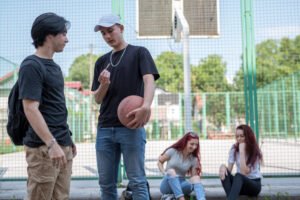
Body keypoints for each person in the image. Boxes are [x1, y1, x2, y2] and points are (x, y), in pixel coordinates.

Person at [92, 14, 160, 200]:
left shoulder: (139, 53)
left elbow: (149, 81)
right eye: (103, 33)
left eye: (110, 30)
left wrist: (146, 105)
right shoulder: (101, 62)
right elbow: (97, 99)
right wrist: (104, 84)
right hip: (105, 128)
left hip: (131, 127)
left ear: (121, 28)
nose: (107, 36)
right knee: (106, 184)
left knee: (137, 181)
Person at [19, 12, 76, 200]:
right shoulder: (31, 66)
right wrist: (51, 144)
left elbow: (55, 107)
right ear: (49, 36)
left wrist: (67, 139)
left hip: (62, 145)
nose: (66, 39)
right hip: (44, 149)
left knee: (61, 197)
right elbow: (30, 108)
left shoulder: (55, 67)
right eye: (63, 34)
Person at [219, 124, 263, 200]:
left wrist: (242, 151)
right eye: (237, 136)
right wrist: (222, 167)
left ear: (248, 136)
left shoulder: (254, 151)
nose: (239, 139)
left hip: (253, 185)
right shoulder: (234, 148)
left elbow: (243, 173)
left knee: (238, 175)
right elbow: (229, 170)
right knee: (224, 173)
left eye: (242, 136)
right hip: (240, 185)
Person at [157, 132, 206, 200]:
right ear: (185, 142)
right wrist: (164, 173)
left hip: (181, 183)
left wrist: (197, 183)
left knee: (196, 178)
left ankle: (201, 199)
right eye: (192, 144)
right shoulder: (172, 151)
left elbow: (193, 177)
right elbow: (160, 162)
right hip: (167, 184)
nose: (194, 147)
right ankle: (180, 198)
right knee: (171, 171)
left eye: (196, 145)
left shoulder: (194, 159)